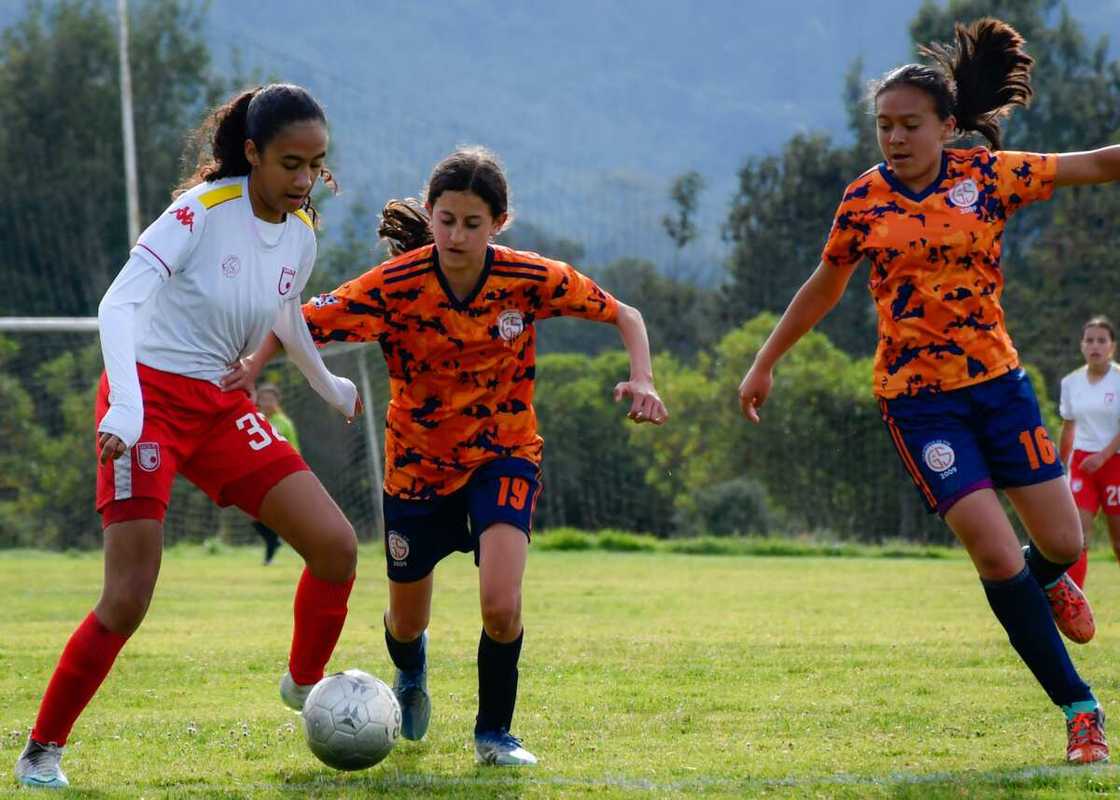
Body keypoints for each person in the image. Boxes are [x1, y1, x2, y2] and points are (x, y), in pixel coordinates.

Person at [737, 19, 1118, 764]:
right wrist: (766, 359)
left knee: (1064, 544)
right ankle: (1081, 710)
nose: (895, 138)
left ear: (948, 126)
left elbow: (1100, 162)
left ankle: (1052, 584)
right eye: (884, 126)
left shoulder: (991, 176)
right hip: (920, 403)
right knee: (994, 552)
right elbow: (825, 285)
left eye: (910, 124)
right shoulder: (863, 201)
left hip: (1000, 390)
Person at [231, 146, 668, 766]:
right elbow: (296, 324)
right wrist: (250, 367)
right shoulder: (395, 286)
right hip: (416, 468)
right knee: (406, 624)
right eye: (445, 220)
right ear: (430, 214)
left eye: (472, 223)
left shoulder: (528, 279)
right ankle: (411, 676)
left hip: (506, 457)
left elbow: (626, 315)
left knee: (501, 603)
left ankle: (494, 735)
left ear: (499, 223)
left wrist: (643, 378)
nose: (456, 234)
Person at [14, 84, 362, 790]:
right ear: (253, 153)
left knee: (335, 547)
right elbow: (119, 303)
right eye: (290, 163)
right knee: (129, 596)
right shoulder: (199, 213)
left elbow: (285, 311)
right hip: (144, 400)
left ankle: (303, 685)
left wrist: (328, 385)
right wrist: (127, 408)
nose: (302, 180)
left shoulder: (301, 233)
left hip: (218, 405)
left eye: (315, 165)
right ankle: (42, 751)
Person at [1059, 316, 1120, 587]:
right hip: (1082, 464)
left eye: (1101, 340)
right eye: (1089, 340)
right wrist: (1060, 467)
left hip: (1114, 464)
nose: (1095, 346)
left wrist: (1104, 456)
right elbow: (1068, 427)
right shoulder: (1070, 383)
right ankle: (1075, 603)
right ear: (1082, 346)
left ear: (1112, 347)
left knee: (1118, 541)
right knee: (1078, 537)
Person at [252, 382, 302, 564]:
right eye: (263, 398)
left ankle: (278, 546)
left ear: (277, 401)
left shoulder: (284, 423)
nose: (266, 402)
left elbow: (294, 449)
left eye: (270, 399)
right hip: (257, 474)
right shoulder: (254, 419)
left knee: (276, 513)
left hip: (279, 475)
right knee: (253, 516)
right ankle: (275, 539)